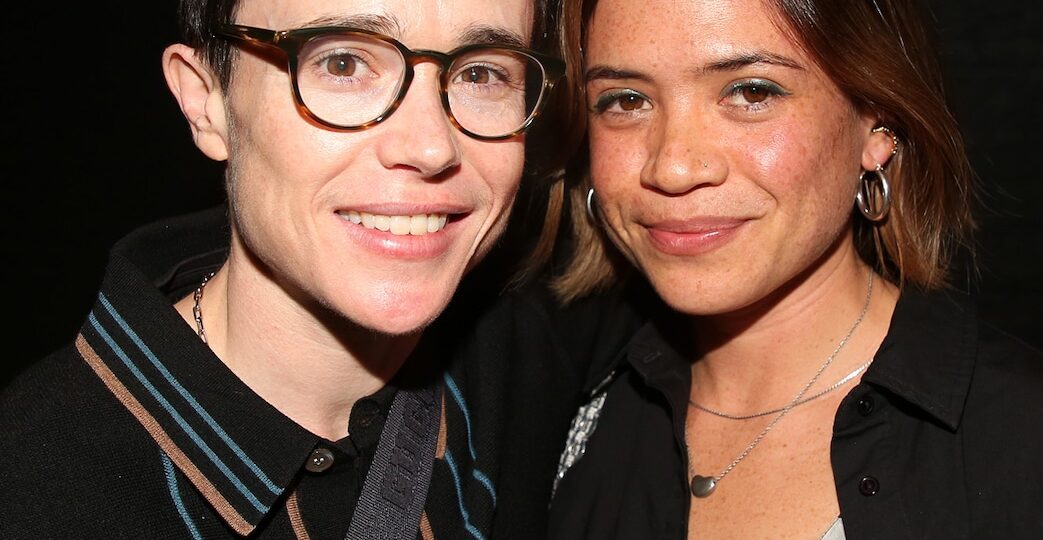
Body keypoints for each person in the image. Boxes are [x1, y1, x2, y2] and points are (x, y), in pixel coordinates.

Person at [0, 0, 634, 537]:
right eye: (344, 63)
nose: (430, 146)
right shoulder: (39, 490)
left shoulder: (531, 355)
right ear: (205, 100)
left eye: (482, 73)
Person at [544, 0, 1043, 538]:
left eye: (751, 92)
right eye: (626, 100)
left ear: (878, 123)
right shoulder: (556, 411)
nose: (673, 167)